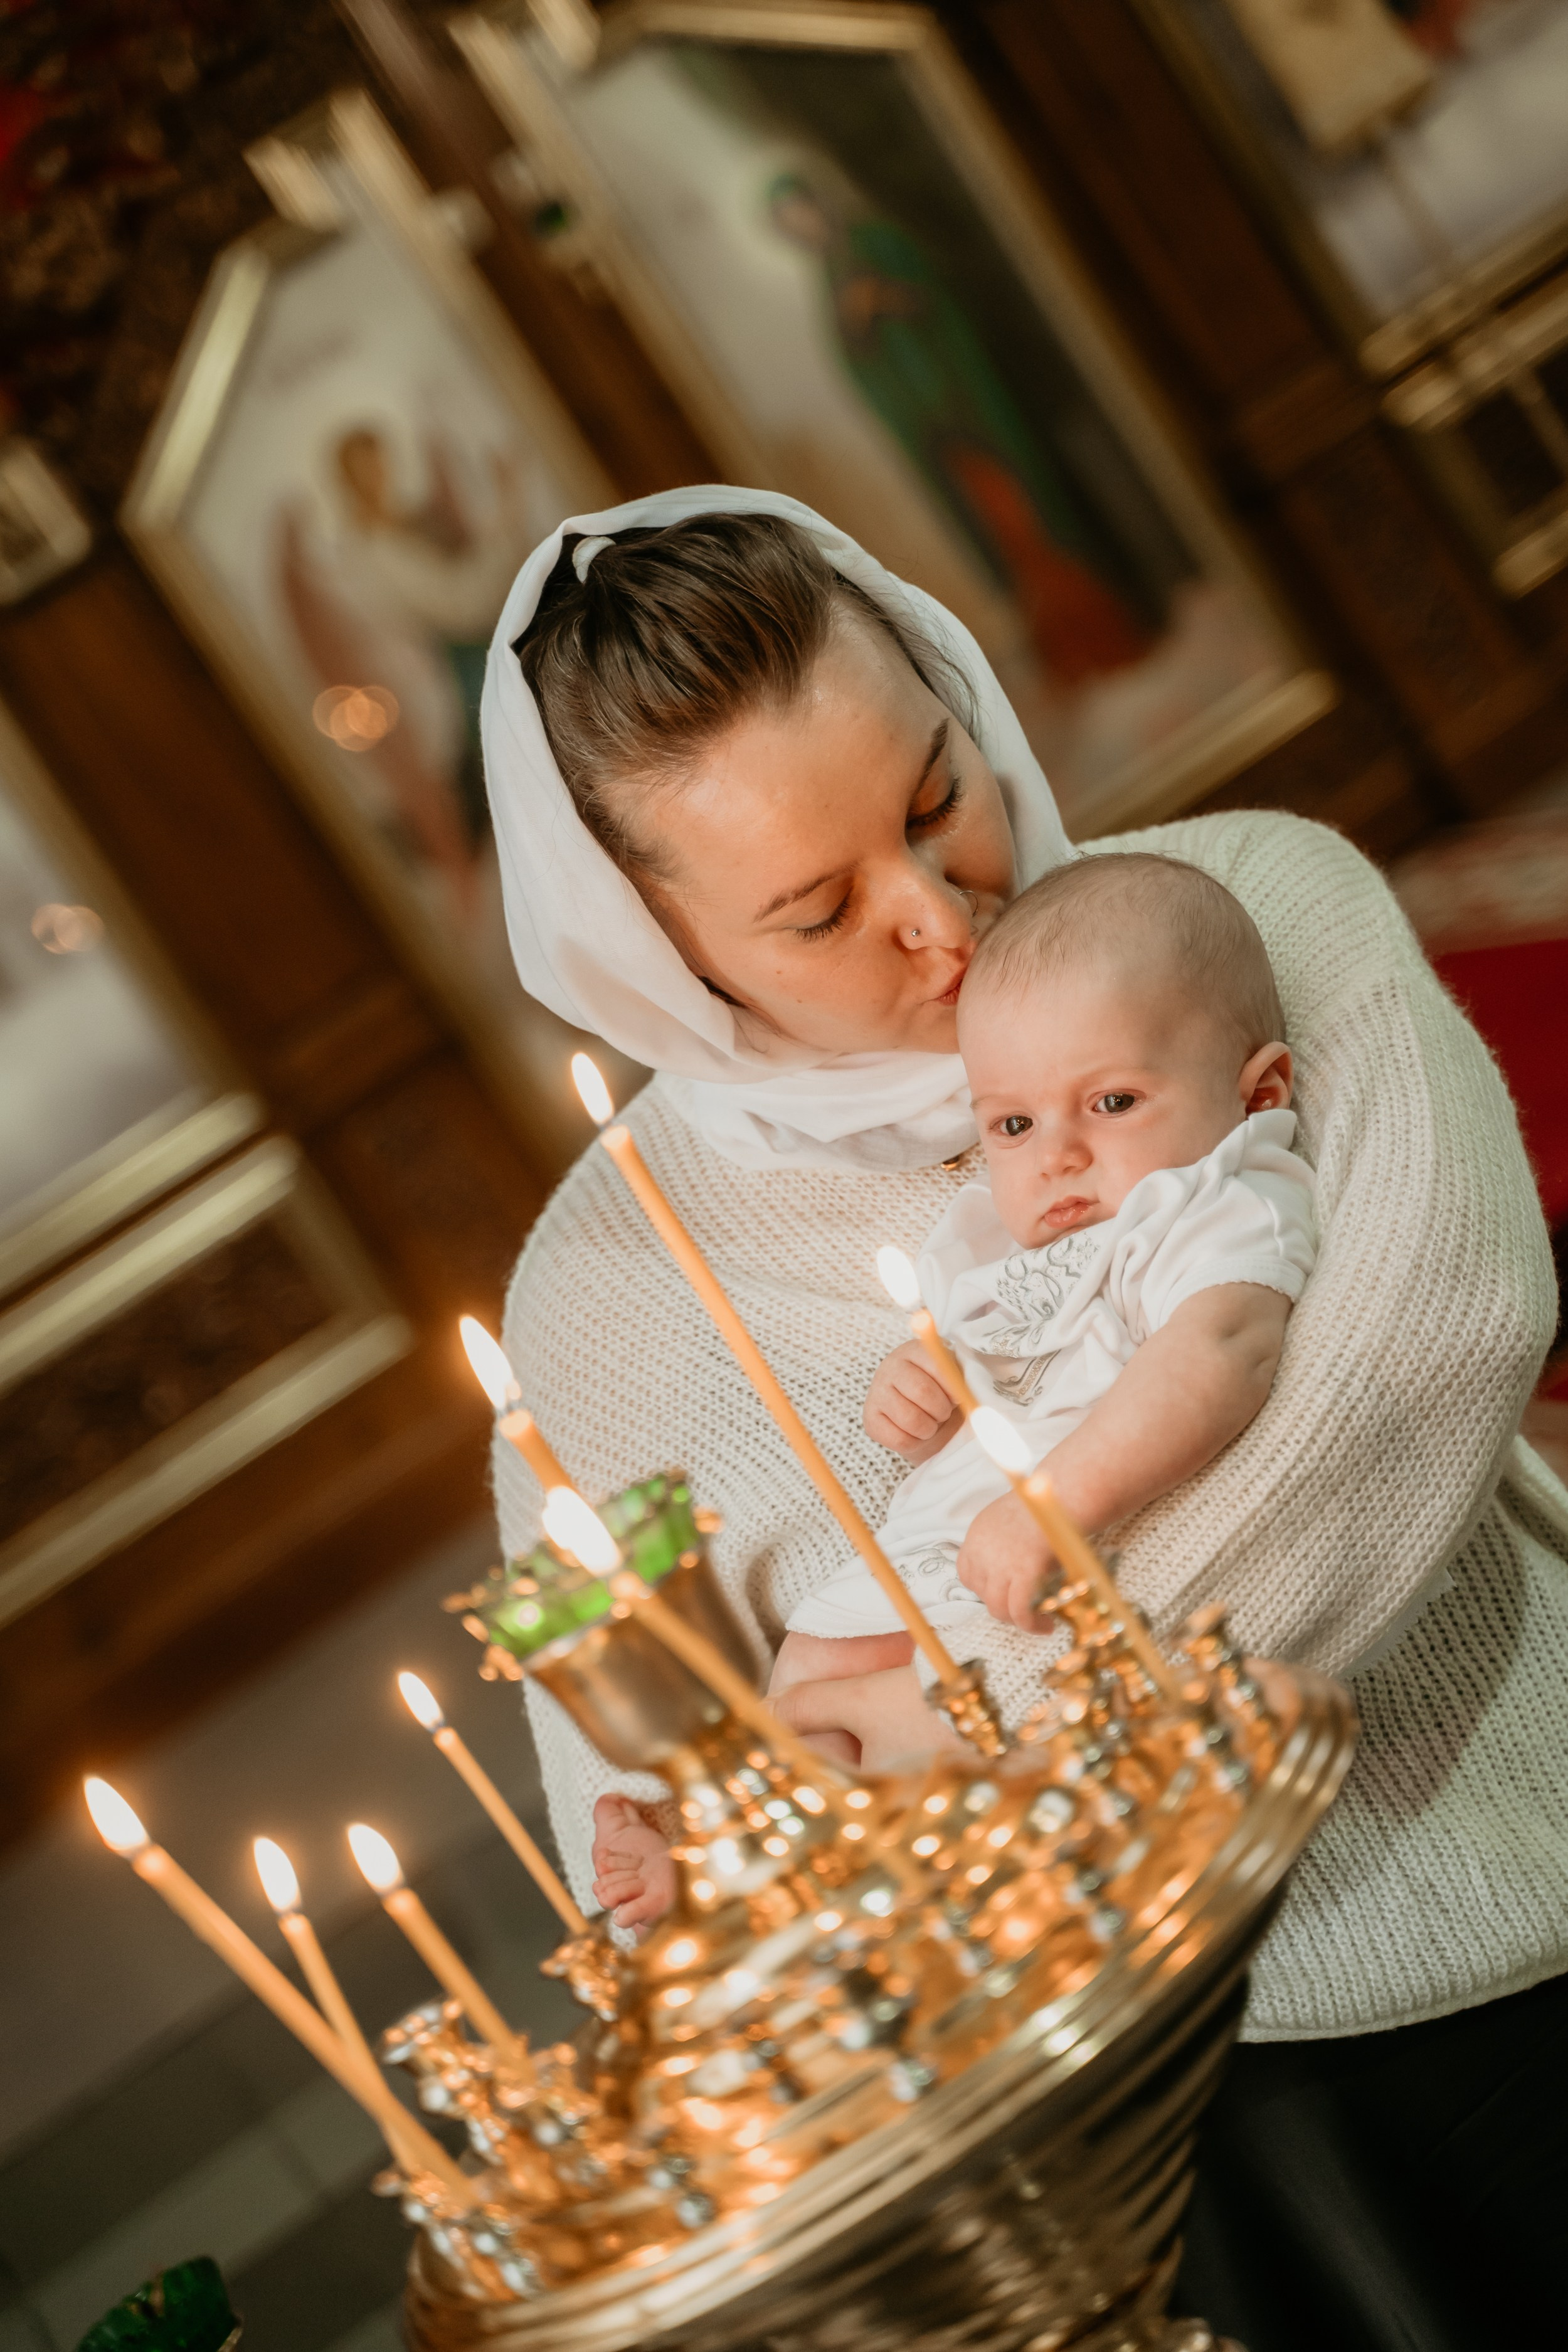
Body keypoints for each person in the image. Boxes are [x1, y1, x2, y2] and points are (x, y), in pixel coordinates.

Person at [482, 485, 1568, 2348]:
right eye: (819, 912)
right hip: (1158, 2121)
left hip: (1522, 1859)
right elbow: (673, 1836)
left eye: (935, 796)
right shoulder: (607, 1299)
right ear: (663, 964)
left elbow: (1417, 1373)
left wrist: (920, 1739)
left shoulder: (1245, 908)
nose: (943, 918)